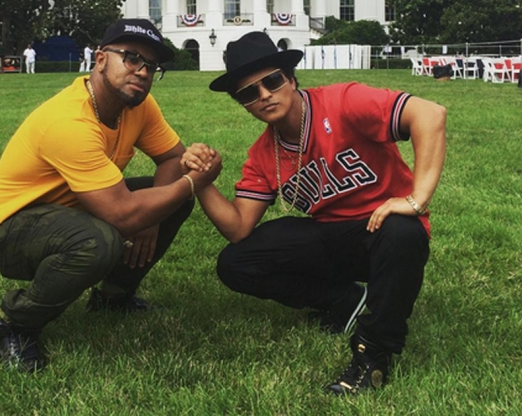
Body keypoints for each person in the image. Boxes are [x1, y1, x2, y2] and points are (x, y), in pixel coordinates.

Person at [182, 31, 446, 396]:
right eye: (248, 93)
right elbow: (239, 228)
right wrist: (202, 182)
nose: (263, 95)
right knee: (236, 263)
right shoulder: (264, 153)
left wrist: (416, 200)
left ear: (290, 79)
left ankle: (373, 353)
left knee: (403, 230)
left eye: (271, 81)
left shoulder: (343, 101)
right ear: (243, 104)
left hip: (385, 233)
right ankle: (343, 300)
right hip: (335, 238)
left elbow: (430, 114)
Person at [0, 18, 221, 373]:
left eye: (151, 66)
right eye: (132, 58)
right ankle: (17, 325)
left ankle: (112, 298)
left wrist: (154, 216)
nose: (143, 72)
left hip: (76, 208)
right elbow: (122, 214)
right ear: (101, 59)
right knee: (99, 241)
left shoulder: (138, 106)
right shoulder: (69, 120)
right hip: (9, 228)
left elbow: (170, 158)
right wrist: (192, 183)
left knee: (170, 201)